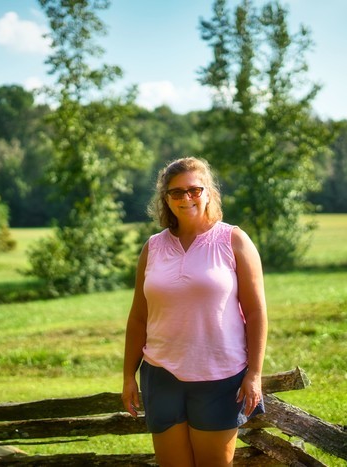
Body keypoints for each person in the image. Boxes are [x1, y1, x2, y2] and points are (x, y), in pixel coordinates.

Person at [122, 157, 268, 466]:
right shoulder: (153, 247)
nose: (186, 198)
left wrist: (254, 373)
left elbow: (255, 313)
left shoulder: (234, 240)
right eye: (176, 192)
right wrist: (127, 376)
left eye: (194, 190)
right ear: (166, 198)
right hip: (161, 375)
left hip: (220, 375)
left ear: (209, 193)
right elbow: (138, 317)